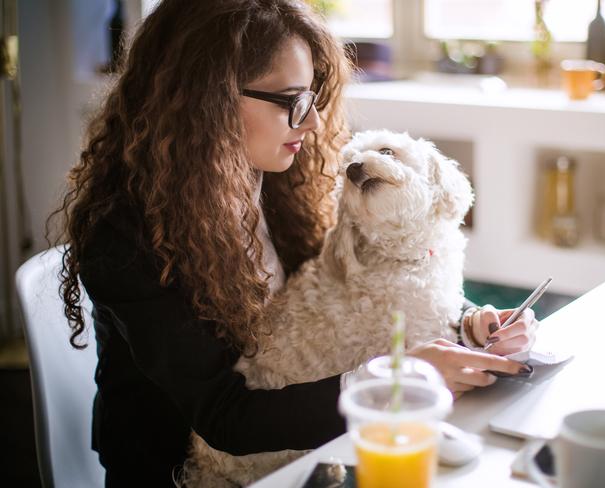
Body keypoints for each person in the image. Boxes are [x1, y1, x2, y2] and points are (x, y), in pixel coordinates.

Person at [48, 1, 537, 486]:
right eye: (292, 101)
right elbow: (227, 417)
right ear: (207, 101)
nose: (314, 124)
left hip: (297, 448)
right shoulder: (125, 237)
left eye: (313, 98)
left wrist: (469, 322)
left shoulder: (280, 175)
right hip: (179, 469)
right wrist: (393, 380)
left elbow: (368, 275)